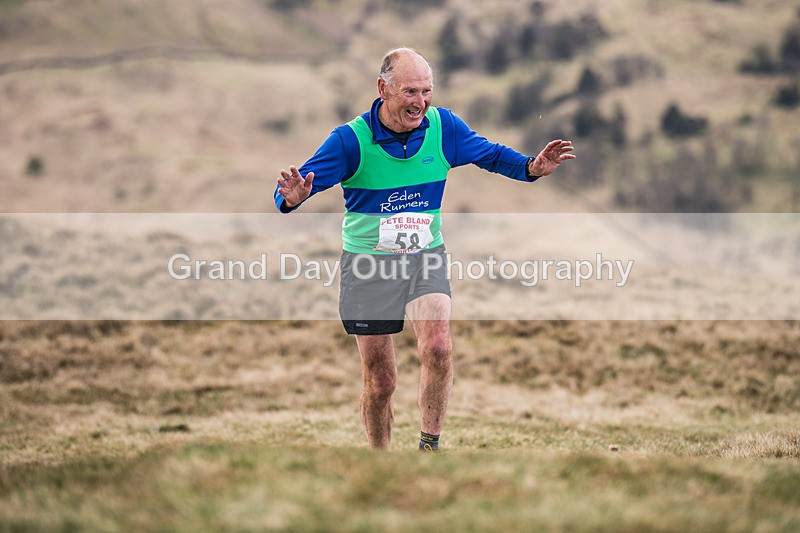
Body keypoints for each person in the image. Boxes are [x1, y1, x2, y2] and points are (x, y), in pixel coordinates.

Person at [275, 47, 574, 451]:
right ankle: (380, 459)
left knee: (437, 347)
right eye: (410, 92)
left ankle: (428, 449)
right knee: (381, 382)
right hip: (368, 266)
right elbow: (290, 191)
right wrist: (291, 197)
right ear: (383, 89)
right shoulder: (350, 141)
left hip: (423, 257)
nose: (421, 102)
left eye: (427, 91)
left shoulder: (443, 128)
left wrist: (531, 168)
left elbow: (490, 154)